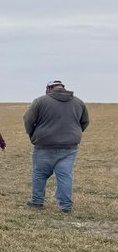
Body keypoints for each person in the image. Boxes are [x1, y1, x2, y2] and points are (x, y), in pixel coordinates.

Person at [23, 80, 90, 212]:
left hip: (44, 144)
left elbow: (28, 119)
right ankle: (66, 206)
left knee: (40, 174)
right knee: (65, 175)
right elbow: (85, 122)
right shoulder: (78, 102)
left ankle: (37, 202)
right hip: (69, 147)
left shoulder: (40, 101)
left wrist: (32, 134)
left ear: (49, 88)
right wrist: (73, 134)